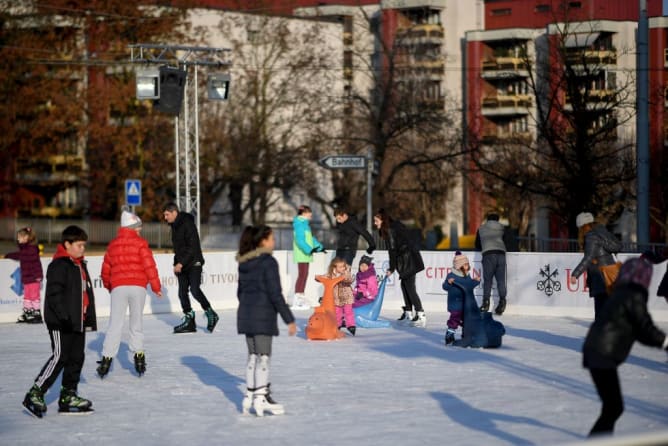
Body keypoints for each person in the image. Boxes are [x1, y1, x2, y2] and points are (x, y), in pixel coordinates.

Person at [582, 256, 668, 437]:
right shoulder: (633, 295)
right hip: (602, 353)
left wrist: (661, 342)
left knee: (612, 407)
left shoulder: (621, 292)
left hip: (597, 351)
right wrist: (664, 341)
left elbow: (639, 331)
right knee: (614, 407)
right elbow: (644, 327)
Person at [22, 225, 97, 417]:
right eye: (79, 245)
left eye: (84, 245)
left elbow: (85, 293)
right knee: (60, 356)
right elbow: (54, 294)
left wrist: (87, 317)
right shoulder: (59, 265)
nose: (82, 249)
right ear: (67, 244)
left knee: (76, 358)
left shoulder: (79, 264)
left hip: (77, 321)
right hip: (61, 321)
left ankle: (68, 395)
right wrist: (64, 316)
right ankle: (35, 392)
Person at [236, 225, 297, 417]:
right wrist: (289, 319)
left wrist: (248, 308)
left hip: (245, 315)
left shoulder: (244, 262)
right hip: (262, 317)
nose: (274, 242)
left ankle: (249, 395)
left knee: (253, 355)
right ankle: (261, 398)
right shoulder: (268, 262)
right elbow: (275, 294)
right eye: (271, 239)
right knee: (263, 356)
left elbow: (240, 292)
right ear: (263, 241)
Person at [96, 210, 163, 378]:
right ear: (132, 227)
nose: (140, 230)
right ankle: (139, 357)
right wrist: (156, 287)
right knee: (136, 323)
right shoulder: (141, 244)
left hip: (119, 288)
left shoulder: (113, 245)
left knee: (115, 324)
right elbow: (149, 266)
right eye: (138, 227)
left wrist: (110, 285)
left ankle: (106, 359)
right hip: (138, 288)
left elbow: (106, 269)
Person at [163, 202, 219, 334]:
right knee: (182, 293)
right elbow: (179, 249)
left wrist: (180, 263)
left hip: (194, 262)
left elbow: (192, 247)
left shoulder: (187, 224)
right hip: (182, 263)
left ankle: (211, 313)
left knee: (194, 289)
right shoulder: (174, 226)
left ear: (174, 213)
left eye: (167, 214)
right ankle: (190, 321)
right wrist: (176, 262)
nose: (165, 217)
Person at [373, 208, 426, 327]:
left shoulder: (390, 230)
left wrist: (391, 268)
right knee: (405, 286)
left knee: (410, 287)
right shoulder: (395, 226)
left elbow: (392, 251)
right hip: (409, 258)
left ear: (382, 220)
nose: (375, 223)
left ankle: (420, 314)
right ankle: (408, 313)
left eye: (376, 221)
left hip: (407, 260)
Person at [570, 212, 622, 321]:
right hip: (610, 273)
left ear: (582, 226)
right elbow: (615, 247)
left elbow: (588, 257)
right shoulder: (602, 232)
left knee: (601, 311)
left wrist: (575, 274)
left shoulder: (591, 236)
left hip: (600, 276)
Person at [5, 227, 43, 323]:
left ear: (26, 237)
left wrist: (10, 255)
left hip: (34, 277)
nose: (18, 239)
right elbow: (20, 254)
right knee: (27, 296)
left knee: (34, 296)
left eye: (19, 237)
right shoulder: (25, 249)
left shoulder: (32, 249)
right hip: (27, 277)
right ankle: (28, 313)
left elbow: (21, 255)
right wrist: (9, 255)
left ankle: (36, 314)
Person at [442, 251, 481, 345]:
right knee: (454, 320)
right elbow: (445, 287)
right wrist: (448, 283)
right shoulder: (451, 275)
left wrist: (475, 281)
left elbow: (469, 286)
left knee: (467, 319)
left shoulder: (466, 275)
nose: (468, 266)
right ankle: (449, 335)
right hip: (455, 304)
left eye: (468, 264)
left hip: (466, 304)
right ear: (459, 266)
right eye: (465, 264)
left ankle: (466, 334)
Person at [475, 212, 508, 315]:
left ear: (487, 220)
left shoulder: (481, 229)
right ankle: (502, 301)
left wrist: (484, 246)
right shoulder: (503, 228)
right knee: (501, 280)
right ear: (497, 219)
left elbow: (477, 244)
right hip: (501, 254)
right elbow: (508, 241)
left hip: (488, 254)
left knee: (488, 280)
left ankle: (485, 304)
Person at [292, 205, 324, 309]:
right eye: (310, 214)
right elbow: (300, 240)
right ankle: (297, 298)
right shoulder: (299, 224)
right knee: (302, 274)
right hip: (302, 253)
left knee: (305, 274)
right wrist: (309, 249)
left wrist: (319, 247)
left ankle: (300, 296)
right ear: (304, 214)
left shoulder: (305, 225)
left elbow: (310, 238)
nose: (311, 216)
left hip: (306, 253)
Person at [326, 256, 356, 335]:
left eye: (343, 266)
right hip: (336, 298)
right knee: (337, 313)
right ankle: (337, 325)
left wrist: (345, 277)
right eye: (340, 267)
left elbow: (350, 279)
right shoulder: (331, 274)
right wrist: (318, 278)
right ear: (334, 267)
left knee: (348, 311)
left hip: (347, 296)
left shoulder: (346, 272)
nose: (342, 268)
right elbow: (325, 277)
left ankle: (351, 325)